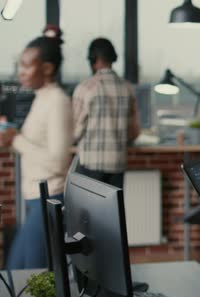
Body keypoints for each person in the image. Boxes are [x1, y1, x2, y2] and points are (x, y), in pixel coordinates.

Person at [0, 25, 73, 269]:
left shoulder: (58, 102)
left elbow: (58, 162)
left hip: (49, 199)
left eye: (26, 65)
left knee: (29, 277)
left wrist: (16, 140)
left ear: (47, 68)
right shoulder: (41, 98)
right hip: (36, 201)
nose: (20, 72)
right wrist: (12, 137)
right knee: (18, 274)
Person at [72, 38, 140, 188]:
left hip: (90, 164)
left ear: (93, 59)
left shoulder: (86, 87)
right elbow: (134, 133)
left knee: (89, 211)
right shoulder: (127, 88)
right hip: (117, 165)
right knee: (112, 211)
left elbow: (75, 131)